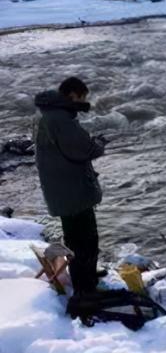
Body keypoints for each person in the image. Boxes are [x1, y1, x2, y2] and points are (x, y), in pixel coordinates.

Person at [34, 77, 108, 295]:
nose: (83, 101)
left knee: (77, 238)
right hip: (72, 191)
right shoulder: (60, 118)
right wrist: (99, 144)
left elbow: (71, 147)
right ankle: (86, 287)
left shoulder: (49, 115)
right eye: (82, 97)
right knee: (85, 239)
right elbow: (84, 150)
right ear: (73, 94)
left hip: (62, 190)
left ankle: (86, 277)